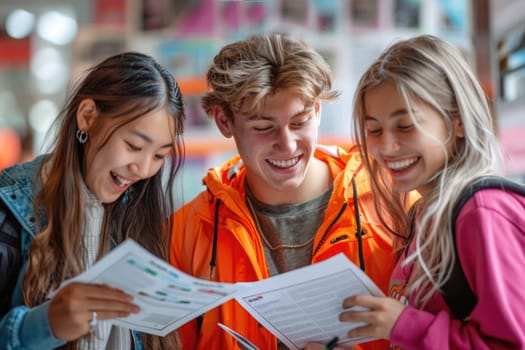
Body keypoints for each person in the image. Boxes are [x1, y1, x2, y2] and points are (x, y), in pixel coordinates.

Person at [170, 32, 407, 350]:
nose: (287, 144)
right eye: (263, 127)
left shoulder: (394, 203)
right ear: (224, 121)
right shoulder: (188, 230)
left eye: (300, 122)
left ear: (319, 111)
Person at [336, 34, 525, 349]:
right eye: (374, 130)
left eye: (406, 125)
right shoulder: (423, 213)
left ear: (459, 122)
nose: (386, 147)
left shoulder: (481, 212)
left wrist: (404, 326)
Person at [0, 52, 185, 349]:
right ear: (87, 116)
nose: (144, 169)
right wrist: (44, 325)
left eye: (160, 155)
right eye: (134, 145)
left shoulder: (138, 218)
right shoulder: (10, 207)